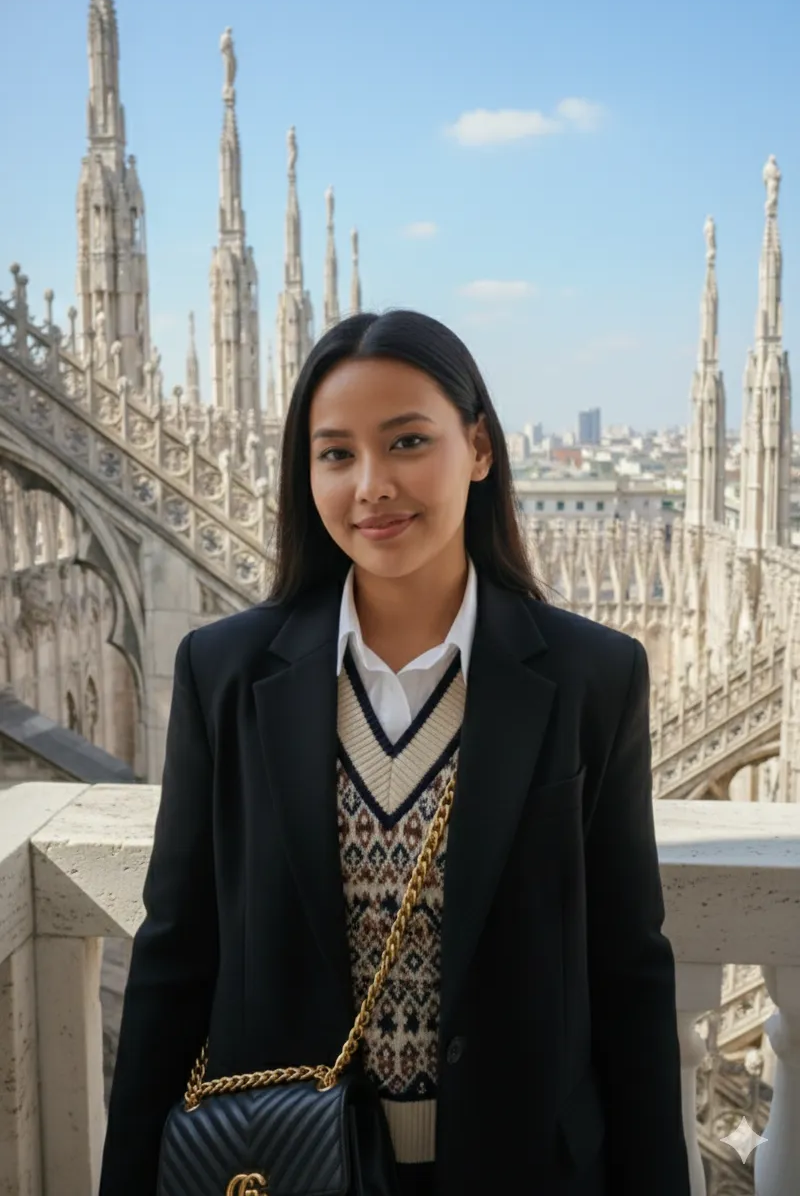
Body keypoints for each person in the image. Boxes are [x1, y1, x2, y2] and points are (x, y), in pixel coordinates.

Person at [99, 310, 691, 1196]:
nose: (372, 485)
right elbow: (178, 955)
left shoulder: (592, 676)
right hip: (287, 1166)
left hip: (525, 1167)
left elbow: (627, 970)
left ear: (480, 448)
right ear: (306, 475)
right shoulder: (224, 673)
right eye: (335, 454)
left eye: (408, 441)